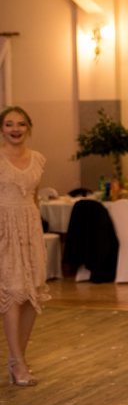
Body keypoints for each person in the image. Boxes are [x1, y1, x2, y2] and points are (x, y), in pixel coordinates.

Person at [0, 106, 49, 387]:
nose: (15, 129)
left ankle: (16, 358)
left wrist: (37, 236)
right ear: (1, 129)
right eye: (9, 124)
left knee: (32, 296)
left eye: (20, 124)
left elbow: (35, 199)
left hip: (30, 230)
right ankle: (18, 363)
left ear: (28, 127)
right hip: (4, 231)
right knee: (12, 294)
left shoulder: (38, 159)